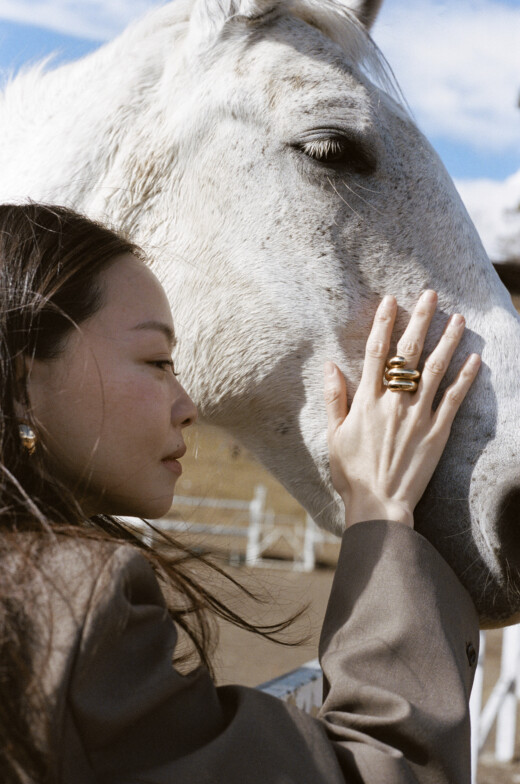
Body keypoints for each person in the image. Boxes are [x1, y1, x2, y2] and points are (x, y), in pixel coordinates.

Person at [0, 202, 482, 784]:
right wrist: (379, 507)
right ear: (25, 383)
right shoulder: (76, 614)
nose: (188, 407)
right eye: (156, 360)